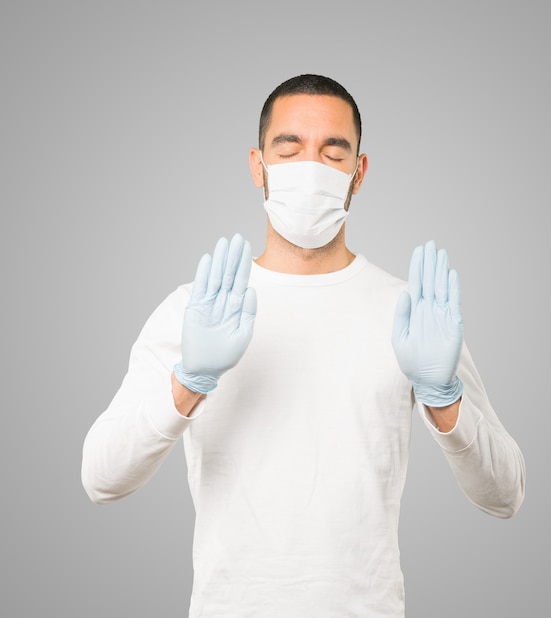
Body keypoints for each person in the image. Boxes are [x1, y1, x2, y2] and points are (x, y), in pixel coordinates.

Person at [82, 74, 525, 617]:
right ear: (257, 164)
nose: (309, 168)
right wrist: (187, 383)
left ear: (358, 172)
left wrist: (444, 399)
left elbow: (505, 496)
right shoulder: (194, 312)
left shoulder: (410, 315)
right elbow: (100, 479)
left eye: (332, 152)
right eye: (288, 149)